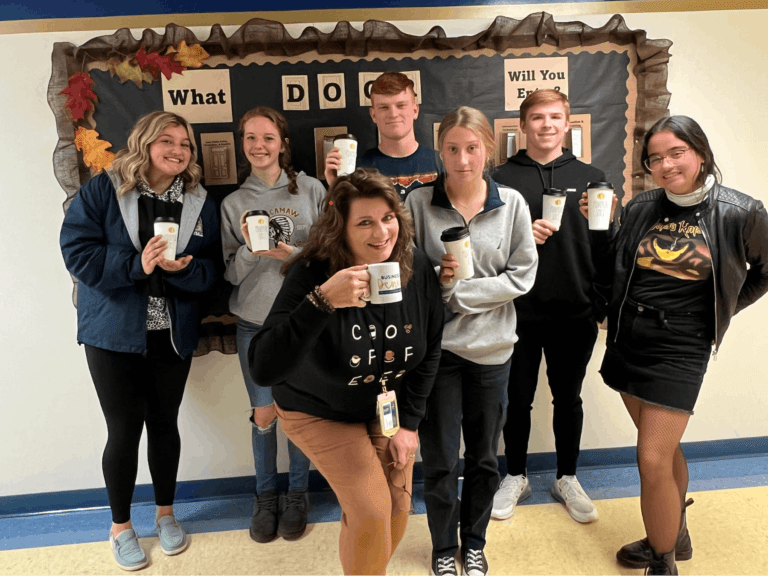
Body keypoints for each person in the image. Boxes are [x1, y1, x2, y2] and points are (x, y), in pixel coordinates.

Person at [581, 115, 768, 575]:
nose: (666, 165)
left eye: (676, 153)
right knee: (662, 449)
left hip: (682, 345)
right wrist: (598, 229)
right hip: (631, 338)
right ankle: (672, 533)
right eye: (656, 158)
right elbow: (614, 269)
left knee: (650, 458)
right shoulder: (643, 206)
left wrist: (723, 308)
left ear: (700, 153)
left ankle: (662, 562)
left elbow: (765, 270)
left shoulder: (741, 211)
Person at [249, 168, 444, 575]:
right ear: (341, 228)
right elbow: (264, 366)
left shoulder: (414, 264)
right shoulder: (313, 271)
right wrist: (322, 302)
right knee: (371, 509)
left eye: (388, 218)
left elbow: (430, 349)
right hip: (317, 408)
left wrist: (409, 424)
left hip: (384, 407)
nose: (381, 233)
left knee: (397, 505)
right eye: (365, 222)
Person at [60, 111, 220, 571]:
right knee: (123, 430)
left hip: (170, 333)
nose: (178, 150)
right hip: (112, 334)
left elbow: (214, 270)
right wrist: (138, 265)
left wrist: (186, 270)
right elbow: (77, 251)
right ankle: (121, 527)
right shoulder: (104, 189)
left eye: (185, 144)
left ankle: (167, 515)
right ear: (144, 143)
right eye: (167, 141)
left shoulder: (198, 200)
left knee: (164, 425)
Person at [406, 107, 538, 576]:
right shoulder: (418, 203)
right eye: (453, 149)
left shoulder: (513, 204)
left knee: (483, 458)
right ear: (439, 151)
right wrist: (438, 285)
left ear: (488, 148)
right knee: (440, 459)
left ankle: (475, 542)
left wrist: (457, 294)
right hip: (437, 355)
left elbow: (522, 276)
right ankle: (444, 546)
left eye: (472, 148)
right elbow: (408, 275)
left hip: (492, 352)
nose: (463, 160)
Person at [491, 89, 606, 524]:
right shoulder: (499, 179)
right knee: (515, 400)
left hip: (574, 311)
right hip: (516, 310)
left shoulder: (593, 176)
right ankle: (516, 475)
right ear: (522, 126)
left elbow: (603, 247)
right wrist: (524, 238)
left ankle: (567, 477)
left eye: (555, 116)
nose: (546, 124)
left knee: (568, 399)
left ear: (568, 123)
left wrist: (599, 301)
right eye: (536, 117)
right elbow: (488, 248)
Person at [220, 107, 326, 543]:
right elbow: (229, 273)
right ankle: (266, 498)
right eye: (250, 138)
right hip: (255, 324)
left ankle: (298, 495)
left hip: (303, 322)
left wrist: (294, 257)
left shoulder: (312, 190)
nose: (259, 146)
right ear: (242, 144)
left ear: (283, 143)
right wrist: (250, 251)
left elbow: (328, 261)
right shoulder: (233, 203)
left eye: (268, 138)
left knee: (297, 414)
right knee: (264, 415)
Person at [325, 71, 442, 199]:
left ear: (415, 110)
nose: (393, 114)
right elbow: (334, 213)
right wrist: (334, 189)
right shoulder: (358, 171)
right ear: (373, 115)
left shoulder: (441, 163)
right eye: (384, 107)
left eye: (401, 105)